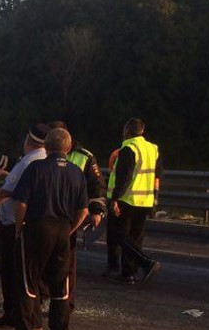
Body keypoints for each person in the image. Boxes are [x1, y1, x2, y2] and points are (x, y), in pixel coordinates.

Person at [2, 128, 88, 330]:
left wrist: (19, 228)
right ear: (68, 149)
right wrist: (71, 229)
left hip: (37, 228)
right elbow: (84, 210)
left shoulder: (36, 168)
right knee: (61, 285)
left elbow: (21, 203)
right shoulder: (76, 171)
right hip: (62, 230)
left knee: (27, 282)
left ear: (47, 146)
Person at [0, 123, 48, 330]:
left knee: (16, 274)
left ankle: (22, 319)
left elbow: (6, 192)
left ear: (28, 140)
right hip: (34, 224)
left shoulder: (29, 161)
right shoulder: (43, 159)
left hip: (15, 224)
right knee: (22, 274)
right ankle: (14, 314)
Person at [47, 120, 105, 307]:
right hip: (47, 214)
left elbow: (96, 185)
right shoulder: (43, 152)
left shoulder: (84, 157)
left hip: (69, 217)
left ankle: (66, 302)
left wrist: (96, 210)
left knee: (67, 262)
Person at [107, 118, 162, 285]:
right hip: (145, 200)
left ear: (126, 131)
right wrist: (155, 198)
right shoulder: (153, 148)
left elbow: (124, 177)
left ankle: (146, 263)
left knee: (119, 235)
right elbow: (157, 175)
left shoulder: (128, 148)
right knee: (135, 238)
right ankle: (128, 273)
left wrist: (115, 198)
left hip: (127, 199)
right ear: (142, 131)